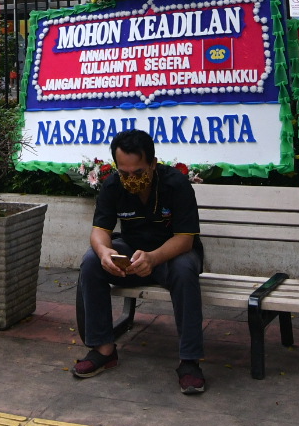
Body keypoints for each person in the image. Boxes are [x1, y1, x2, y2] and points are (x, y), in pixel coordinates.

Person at [73, 129, 206, 394]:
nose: (131, 179)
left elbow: (185, 239)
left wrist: (154, 257)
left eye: (138, 173)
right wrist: (104, 253)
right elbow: (100, 231)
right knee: (91, 261)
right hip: (132, 255)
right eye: (125, 173)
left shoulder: (175, 184)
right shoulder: (113, 185)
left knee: (185, 268)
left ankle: (189, 361)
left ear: (153, 164)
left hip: (171, 255)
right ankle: (103, 349)